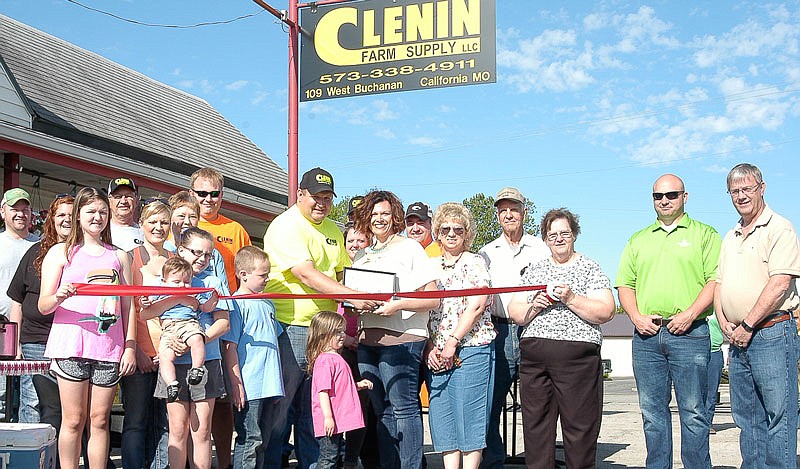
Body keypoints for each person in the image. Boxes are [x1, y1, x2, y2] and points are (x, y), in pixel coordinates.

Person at [263, 167, 378, 469]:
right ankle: (272, 463)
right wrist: (354, 295)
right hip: (290, 327)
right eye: (316, 197)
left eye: (327, 198)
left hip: (324, 332)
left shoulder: (330, 229)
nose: (322, 204)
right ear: (300, 194)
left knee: (314, 409)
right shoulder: (286, 225)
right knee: (282, 408)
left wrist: (372, 294)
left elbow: (342, 272)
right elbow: (306, 273)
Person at [616, 174, 721, 469]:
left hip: (690, 333)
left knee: (694, 411)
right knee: (652, 413)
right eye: (658, 196)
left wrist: (689, 314)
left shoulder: (705, 234)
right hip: (647, 337)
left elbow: (715, 280)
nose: (664, 200)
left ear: (685, 197)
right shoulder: (638, 238)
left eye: (672, 195)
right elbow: (625, 284)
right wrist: (635, 317)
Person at [508, 208, 615, 469]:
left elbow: (607, 310)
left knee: (579, 428)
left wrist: (571, 298)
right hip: (534, 359)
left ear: (574, 235)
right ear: (545, 238)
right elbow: (515, 311)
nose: (558, 239)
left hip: (577, 360)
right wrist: (535, 306)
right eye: (552, 234)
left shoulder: (589, 267)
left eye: (564, 233)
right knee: (536, 429)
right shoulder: (535, 270)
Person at [38, 187, 137, 469]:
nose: (98, 217)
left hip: (109, 348)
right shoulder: (61, 252)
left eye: (103, 212)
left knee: (100, 419)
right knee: (72, 419)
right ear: (79, 215)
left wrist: (129, 346)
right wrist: (59, 295)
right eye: (91, 211)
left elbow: (129, 306)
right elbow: (43, 305)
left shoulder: (120, 257)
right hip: (71, 346)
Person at [714, 163, 800, 468]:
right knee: (747, 418)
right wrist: (723, 321)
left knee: (779, 415)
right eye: (734, 191)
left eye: (747, 188)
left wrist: (748, 324)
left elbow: (780, 284)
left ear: (762, 188)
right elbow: (719, 283)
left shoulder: (780, 228)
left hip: (772, 333)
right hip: (738, 338)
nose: (740, 195)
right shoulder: (731, 235)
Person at [351, 190, 440, 469]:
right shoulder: (362, 254)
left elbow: (433, 297)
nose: (379, 219)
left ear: (395, 217)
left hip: (403, 338)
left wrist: (396, 305)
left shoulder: (410, 248)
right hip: (369, 339)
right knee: (382, 413)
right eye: (374, 214)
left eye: (385, 214)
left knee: (404, 409)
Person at [144, 227, 230, 469]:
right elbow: (147, 314)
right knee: (177, 430)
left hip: (205, 361)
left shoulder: (212, 281)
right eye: (196, 252)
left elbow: (223, 322)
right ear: (180, 250)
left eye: (207, 255)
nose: (202, 259)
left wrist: (199, 338)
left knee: (201, 431)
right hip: (173, 361)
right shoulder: (165, 279)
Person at [478, 187, 549, 469]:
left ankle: (539, 462)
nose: (509, 214)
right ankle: (494, 461)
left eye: (514, 209)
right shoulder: (486, 252)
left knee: (539, 404)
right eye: (503, 210)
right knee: (490, 404)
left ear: (524, 212)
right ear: (497, 215)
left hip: (535, 329)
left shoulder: (542, 248)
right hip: (498, 331)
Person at [425, 202, 496, 469]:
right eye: (445, 229)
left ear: (467, 233)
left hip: (471, 348)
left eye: (458, 229)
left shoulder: (475, 261)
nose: (451, 233)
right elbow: (426, 312)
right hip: (438, 353)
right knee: (443, 420)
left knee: (470, 419)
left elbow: (477, 305)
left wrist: (452, 342)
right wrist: (432, 347)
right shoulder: (430, 265)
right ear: (437, 233)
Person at [7, 194, 72, 425]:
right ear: (52, 219)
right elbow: (17, 299)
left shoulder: (85, 254)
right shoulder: (34, 252)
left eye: (71, 215)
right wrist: (15, 345)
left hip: (73, 342)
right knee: (32, 403)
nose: (66, 220)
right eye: (61, 215)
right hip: (36, 341)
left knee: (65, 410)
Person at [221, 246, 284, 469]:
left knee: (263, 441)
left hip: (269, 385)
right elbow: (230, 346)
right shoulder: (236, 304)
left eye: (268, 274)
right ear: (243, 274)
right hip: (250, 384)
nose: (267, 279)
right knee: (250, 439)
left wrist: (278, 385)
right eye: (262, 275)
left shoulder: (267, 302)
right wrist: (236, 383)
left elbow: (274, 343)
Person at [123, 198, 173, 469]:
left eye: (164, 222)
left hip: (170, 354)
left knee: (165, 423)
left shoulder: (176, 261)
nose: (158, 227)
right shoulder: (130, 259)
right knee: (135, 422)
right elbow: (126, 308)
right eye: (152, 221)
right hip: (141, 354)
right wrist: (136, 350)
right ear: (141, 224)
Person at [308, 311, 372, 469]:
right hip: (330, 419)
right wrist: (328, 417)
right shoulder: (325, 360)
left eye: (342, 331)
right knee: (328, 457)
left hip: (338, 418)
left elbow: (341, 387)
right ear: (323, 335)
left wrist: (358, 385)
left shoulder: (335, 358)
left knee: (332, 455)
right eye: (337, 332)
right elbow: (323, 391)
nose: (342, 335)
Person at [0, 187, 39, 421]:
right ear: (3, 211)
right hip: (2, 326)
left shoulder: (42, 246)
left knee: (30, 398)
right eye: (15, 209)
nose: (20, 214)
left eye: (25, 209)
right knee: (2, 396)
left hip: (31, 331)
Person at [153, 257, 214, 401]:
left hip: (188, 324)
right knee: (165, 356)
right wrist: (144, 301)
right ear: (164, 282)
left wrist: (213, 300)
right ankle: (172, 384)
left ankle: (197, 368)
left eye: (187, 282)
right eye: (176, 282)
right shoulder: (159, 291)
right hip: (168, 329)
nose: (182, 286)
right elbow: (146, 308)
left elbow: (205, 307)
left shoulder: (193, 293)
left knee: (197, 338)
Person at [339, 225, 374, 469]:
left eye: (361, 240)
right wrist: (341, 338)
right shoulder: (334, 274)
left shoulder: (374, 272)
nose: (355, 244)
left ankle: (351, 459)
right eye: (351, 239)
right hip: (337, 350)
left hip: (363, 348)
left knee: (359, 408)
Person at [168, 191, 229, 293]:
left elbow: (224, 292)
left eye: (192, 217)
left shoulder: (214, 254)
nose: (187, 222)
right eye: (181, 216)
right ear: (170, 218)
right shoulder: (164, 251)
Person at [107, 176, 144, 251]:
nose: (123, 201)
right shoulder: (101, 231)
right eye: (118, 197)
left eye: (128, 196)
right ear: (109, 201)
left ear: (136, 201)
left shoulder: (145, 234)